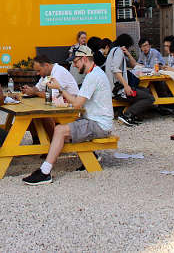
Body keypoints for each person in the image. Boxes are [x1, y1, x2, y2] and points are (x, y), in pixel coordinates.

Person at [22, 45, 113, 185]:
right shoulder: (95, 73)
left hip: (99, 124)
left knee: (59, 130)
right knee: (61, 128)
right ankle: (91, 155)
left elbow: (77, 104)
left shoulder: (92, 76)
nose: (74, 66)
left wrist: (60, 88)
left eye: (76, 62)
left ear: (84, 59)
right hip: (94, 120)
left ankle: (45, 172)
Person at [22, 54, 79, 139]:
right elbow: (38, 87)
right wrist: (30, 90)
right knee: (32, 112)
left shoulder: (59, 72)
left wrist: (34, 92)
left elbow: (52, 95)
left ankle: (52, 142)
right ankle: (39, 141)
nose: (37, 73)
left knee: (43, 114)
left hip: (72, 108)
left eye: (38, 70)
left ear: (46, 65)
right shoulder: (47, 73)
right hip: (61, 105)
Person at [105, 33, 154, 126]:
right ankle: (127, 115)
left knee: (146, 91)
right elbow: (116, 70)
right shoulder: (118, 52)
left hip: (114, 88)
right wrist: (126, 86)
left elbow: (133, 65)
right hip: (119, 90)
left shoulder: (112, 51)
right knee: (150, 98)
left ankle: (134, 115)